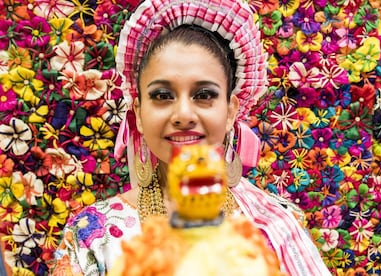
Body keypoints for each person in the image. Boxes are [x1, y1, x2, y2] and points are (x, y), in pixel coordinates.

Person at [50, 0, 331, 275]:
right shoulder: (94, 238)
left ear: (231, 111)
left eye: (204, 95)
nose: (183, 114)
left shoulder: (278, 222)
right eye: (162, 96)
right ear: (138, 113)